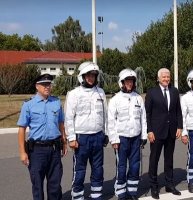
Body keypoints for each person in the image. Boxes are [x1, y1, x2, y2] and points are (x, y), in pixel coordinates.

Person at [17, 73, 67, 200]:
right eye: (44, 84)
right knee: (37, 185)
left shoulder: (56, 102)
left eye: (49, 84)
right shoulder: (28, 105)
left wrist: (64, 142)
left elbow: (61, 124)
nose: (47, 87)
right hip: (37, 151)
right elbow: (22, 129)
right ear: (37, 86)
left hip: (54, 149)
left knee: (55, 184)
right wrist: (22, 152)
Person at [65, 61, 107, 200]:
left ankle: (97, 195)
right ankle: (77, 196)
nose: (91, 78)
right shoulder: (74, 94)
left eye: (93, 75)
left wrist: (105, 133)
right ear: (82, 76)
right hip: (81, 138)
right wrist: (71, 138)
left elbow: (105, 115)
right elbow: (69, 117)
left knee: (98, 169)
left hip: (97, 136)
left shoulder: (100, 92)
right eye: (88, 75)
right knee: (80, 170)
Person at [108, 69, 147, 200]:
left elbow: (143, 119)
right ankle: (121, 193)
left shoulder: (138, 98)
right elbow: (111, 121)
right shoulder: (115, 100)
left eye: (131, 81)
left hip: (136, 138)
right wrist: (113, 139)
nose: (129, 83)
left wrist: (144, 136)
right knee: (122, 166)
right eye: (127, 81)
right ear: (122, 83)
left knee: (135, 166)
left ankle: (132, 192)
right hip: (121, 139)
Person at [145, 68, 183, 199]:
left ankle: (169, 184)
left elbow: (178, 111)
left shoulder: (174, 91)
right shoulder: (151, 93)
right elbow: (148, 114)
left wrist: (180, 127)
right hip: (156, 132)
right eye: (164, 77)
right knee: (154, 159)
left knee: (169, 159)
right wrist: (149, 130)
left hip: (171, 131)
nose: (166, 79)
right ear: (158, 78)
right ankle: (154, 186)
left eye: (168, 77)